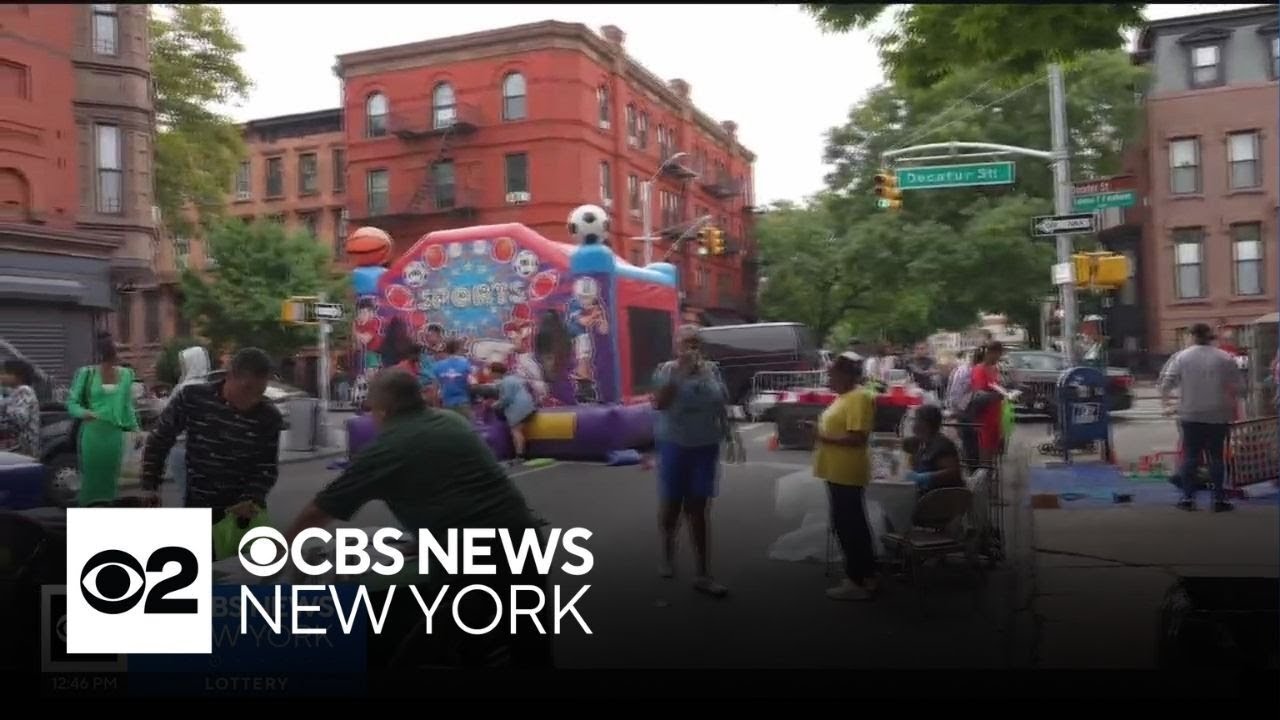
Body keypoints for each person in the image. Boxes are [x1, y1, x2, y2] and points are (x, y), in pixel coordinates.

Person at [283, 369, 551, 668]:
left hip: (470, 563)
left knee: (444, 653)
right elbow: (459, 493)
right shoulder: (452, 422)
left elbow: (318, 512)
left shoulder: (386, 449)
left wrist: (280, 551)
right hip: (522, 541)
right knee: (530, 649)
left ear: (382, 409)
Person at [140, 348, 283, 522]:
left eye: (260, 392)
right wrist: (150, 485)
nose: (253, 399)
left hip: (243, 513)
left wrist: (252, 498)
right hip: (199, 504)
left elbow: (267, 467)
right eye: (247, 390)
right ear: (230, 376)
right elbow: (159, 439)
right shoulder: (193, 398)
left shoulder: (268, 416)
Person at [651, 325, 730, 597]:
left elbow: (720, 403)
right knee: (672, 505)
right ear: (677, 346)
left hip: (705, 446)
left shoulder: (712, 370)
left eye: (695, 343)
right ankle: (667, 551)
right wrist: (681, 375)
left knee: (699, 508)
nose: (690, 348)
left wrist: (731, 435)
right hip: (675, 444)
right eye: (685, 343)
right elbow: (659, 404)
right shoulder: (666, 370)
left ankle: (703, 574)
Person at [812, 352, 877, 601]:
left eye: (832, 375)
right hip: (836, 469)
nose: (829, 379)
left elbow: (857, 437)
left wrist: (821, 437)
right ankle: (867, 576)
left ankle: (857, 579)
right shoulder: (846, 397)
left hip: (846, 471)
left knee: (849, 525)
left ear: (845, 375)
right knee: (850, 523)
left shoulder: (858, 398)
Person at [1160, 323, 1239, 512]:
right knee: (1217, 457)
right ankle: (1219, 499)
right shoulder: (1224, 357)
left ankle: (1188, 499)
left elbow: (1166, 384)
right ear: (1209, 336)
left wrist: (1168, 403)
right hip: (1218, 414)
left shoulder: (1181, 357)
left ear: (1192, 336)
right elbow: (1239, 387)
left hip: (1190, 413)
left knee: (1190, 457)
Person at [68, 333, 139, 506]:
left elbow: (127, 406)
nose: (113, 358)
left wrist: (136, 430)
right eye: (109, 354)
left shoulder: (126, 375)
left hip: (114, 434)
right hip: (93, 433)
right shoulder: (87, 374)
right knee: (92, 478)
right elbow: (71, 403)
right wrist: (84, 412)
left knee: (111, 478)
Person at [161, 346, 211, 505]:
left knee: (187, 495)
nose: (180, 368)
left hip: (181, 447)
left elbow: (167, 417)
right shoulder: (210, 388)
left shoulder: (184, 389)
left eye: (183, 363)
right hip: (205, 449)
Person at [902, 405, 963, 495]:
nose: (913, 424)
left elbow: (953, 473)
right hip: (927, 493)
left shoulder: (942, 444)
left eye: (916, 420)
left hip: (941, 498)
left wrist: (925, 478)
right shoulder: (923, 443)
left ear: (925, 423)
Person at [969, 341, 1011, 467]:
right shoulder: (979, 370)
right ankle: (984, 477)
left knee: (994, 450)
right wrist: (998, 395)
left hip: (996, 415)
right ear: (991, 354)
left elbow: (998, 386)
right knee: (985, 451)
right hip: (984, 417)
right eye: (998, 355)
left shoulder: (994, 370)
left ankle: (991, 476)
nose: (999, 359)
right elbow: (979, 394)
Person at [490, 362, 537, 465]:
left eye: (492, 373)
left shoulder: (506, 382)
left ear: (496, 373)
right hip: (528, 405)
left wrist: (496, 405)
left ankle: (520, 455)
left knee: (516, 431)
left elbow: (507, 398)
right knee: (517, 431)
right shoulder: (513, 378)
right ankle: (521, 454)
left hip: (519, 408)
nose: (491, 375)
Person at [0, 358, 40, 458]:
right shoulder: (14, 392)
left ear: (18, 376)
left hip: (22, 449)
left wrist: (4, 410)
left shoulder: (24, 391)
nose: (1, 376)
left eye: (4, 373)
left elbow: (20, 418)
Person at [433, 338, 475, 421]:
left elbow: (435, 390)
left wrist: (436, 408)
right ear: (457, 349)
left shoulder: (437, 366)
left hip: (446, 405)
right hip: (463, 403)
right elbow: (472, 384)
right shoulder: (465, 363)